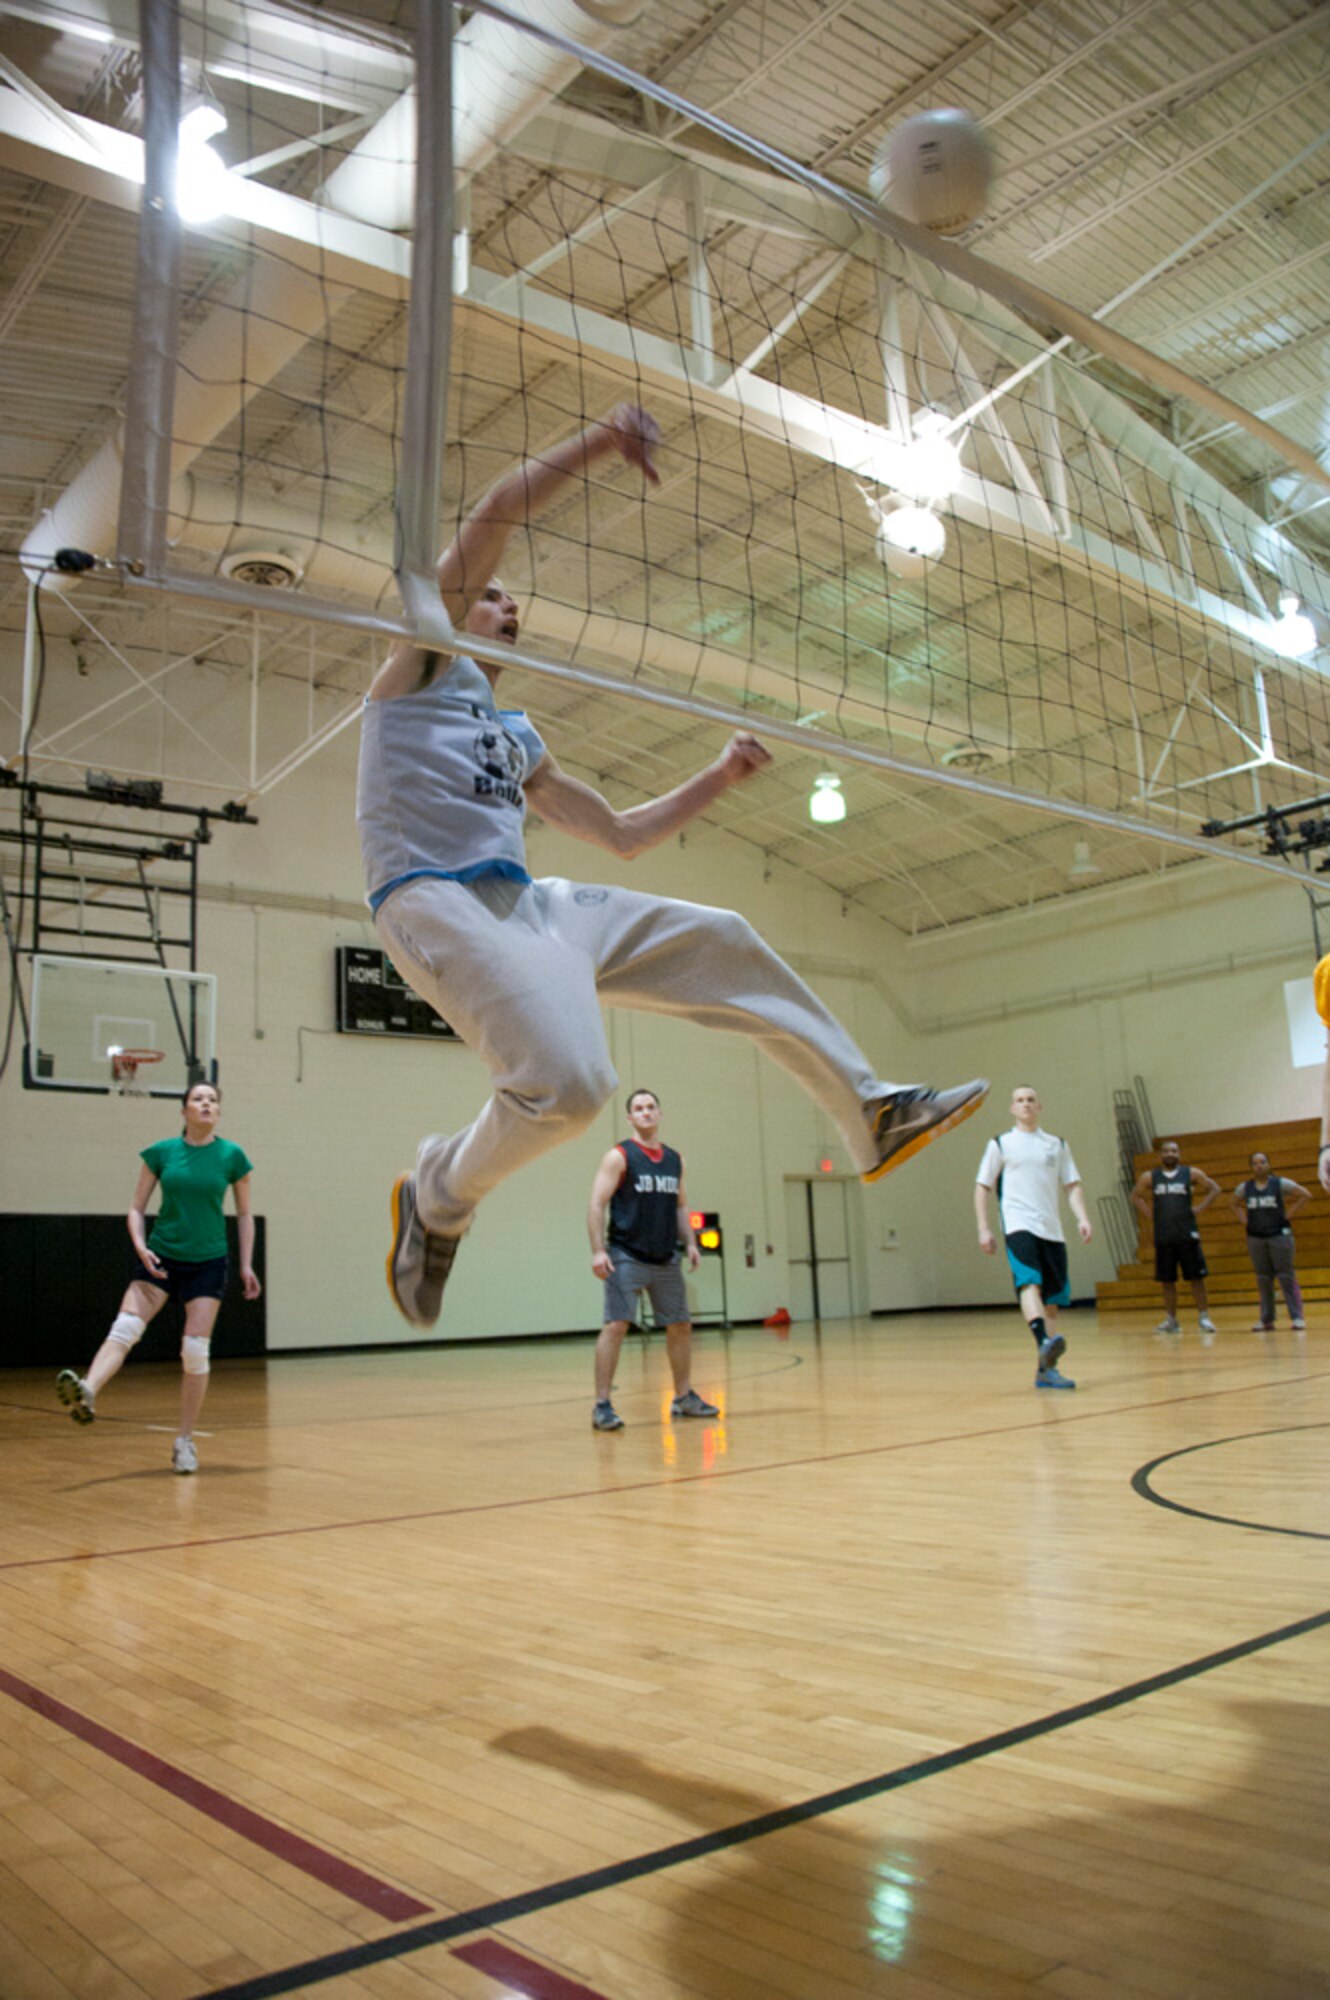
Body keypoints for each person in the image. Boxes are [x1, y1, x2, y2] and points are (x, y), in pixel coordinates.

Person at [358, 402, 989, 1328]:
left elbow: (619, 833)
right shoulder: (413, 673)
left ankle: (872, 1110)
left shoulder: (516, 732)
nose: (508, 604)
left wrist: (721, 776)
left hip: (528, 907)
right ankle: (437, 1195)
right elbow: (495, 513)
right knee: (573, 1089)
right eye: (493, 596)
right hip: (428, 899)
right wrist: (601, 442)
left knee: (723, 939)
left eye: (507, 601)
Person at [55, 1081, 259, 1473]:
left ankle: (185, 1440)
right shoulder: (161, 1153)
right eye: (198, 1099)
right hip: (161, 1256)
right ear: (184, 1110)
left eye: (213, 1100)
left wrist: (247, 1264)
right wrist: (141, 1245)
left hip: (207, 1261)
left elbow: (245, 1213)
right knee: (125, 1327)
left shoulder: (232, 1156)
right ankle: (88, 1390)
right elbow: (135, 1207)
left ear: (219, 1111)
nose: (206, 1104)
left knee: (195, 1352)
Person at [586, 1087, 715, 1431]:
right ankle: (602, 1404)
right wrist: (598, 1250)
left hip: (665, 1258)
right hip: (625, 1254)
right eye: (639, 1108)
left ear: (659, 1114)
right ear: (629, 1117)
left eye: (651, 1107)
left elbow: (681, 1205)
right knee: (616, 1325)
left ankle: (683, 1397)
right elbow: (597, 1203)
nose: (645, 1112)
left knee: (681, 1325)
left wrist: (690, 1242)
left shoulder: (675, 1159)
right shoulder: (619, 1156)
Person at [974, 1085, 1092, 1390]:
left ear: (1039, 1106)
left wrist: (1082, 1217)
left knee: (1051, 1302)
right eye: (1019, 1100)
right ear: (1012, 1108)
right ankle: (1042, 1340)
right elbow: (983, 1187)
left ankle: (1046, 1370)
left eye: (1030, 1100)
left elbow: (1072, 1185)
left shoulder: (1056, 1145)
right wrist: (983, 1227)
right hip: (1018, 1225)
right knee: (1029, 1282)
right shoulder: (1001, 1143)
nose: (1025, 1104)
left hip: (1051, 1230)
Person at [1129, 1139, 1221, 1336]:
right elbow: (1135, 1195)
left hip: (1187, 1234)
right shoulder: (1150, 1177)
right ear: (1160, 1155)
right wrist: (1148, 1213)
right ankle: (1171, 1320)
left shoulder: (1191, 1174)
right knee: (1167, 1280)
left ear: (1179, 1154)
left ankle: (1204, 1317)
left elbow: (1214, 1189)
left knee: (1196, 1278)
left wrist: (1199, 1208)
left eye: (1174, 1151)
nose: (1170, 1154)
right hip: (1164, 1236)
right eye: (1166, 1151)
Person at [1230, 1152, 1310, 1332]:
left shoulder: (1280, 1183)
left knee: (1286, 1276)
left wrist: (1289, 1214)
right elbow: (1233, 1203)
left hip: (1279, 1236)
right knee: (1263, 1278)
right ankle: (1266, 1319)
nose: (1259, 1165)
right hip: (1256, 1237)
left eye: (1262, 1162)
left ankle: (1297, 1317)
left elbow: (1305, 1194)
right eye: (1255, 1163)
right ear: (1250, 1167)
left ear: (1269, 1165)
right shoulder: (1245, 1187)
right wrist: (1244, 1220)